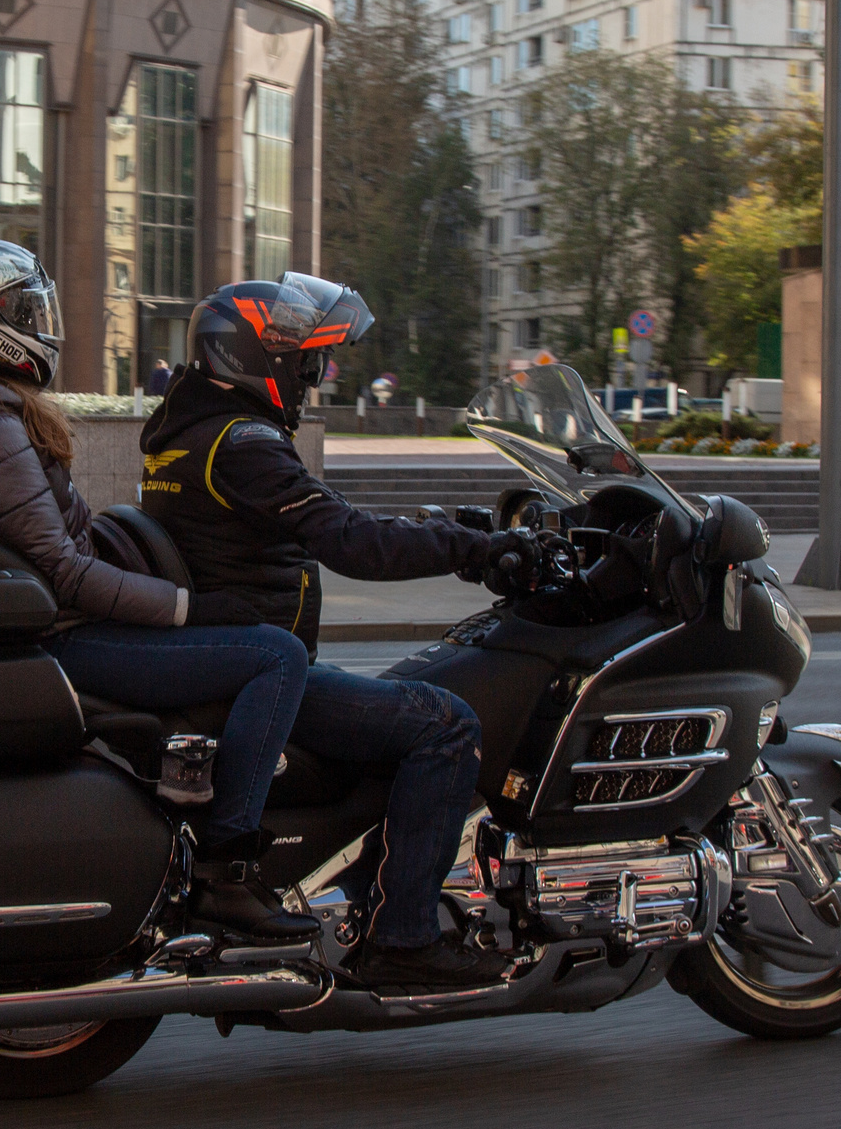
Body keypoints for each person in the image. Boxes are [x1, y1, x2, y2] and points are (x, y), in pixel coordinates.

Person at [0, 239, 316, 943]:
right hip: (67, 634)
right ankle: (227, 874)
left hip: (35, 622)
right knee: (277, 657)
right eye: (22, 310)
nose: (39, 323)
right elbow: (65, 569)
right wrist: (188, 609)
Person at [140, 275, 542, 988]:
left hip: (237, 667)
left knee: (406, 703)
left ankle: (368, 893)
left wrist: (448, 527)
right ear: (255, 358)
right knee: (447, 726)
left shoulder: (188, 433)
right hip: (266, 675)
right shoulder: (244, 442)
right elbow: (352, 541)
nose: (315, 376)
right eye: (306, 362)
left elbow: (332, 519)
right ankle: (405, 936)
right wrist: (471, 550)